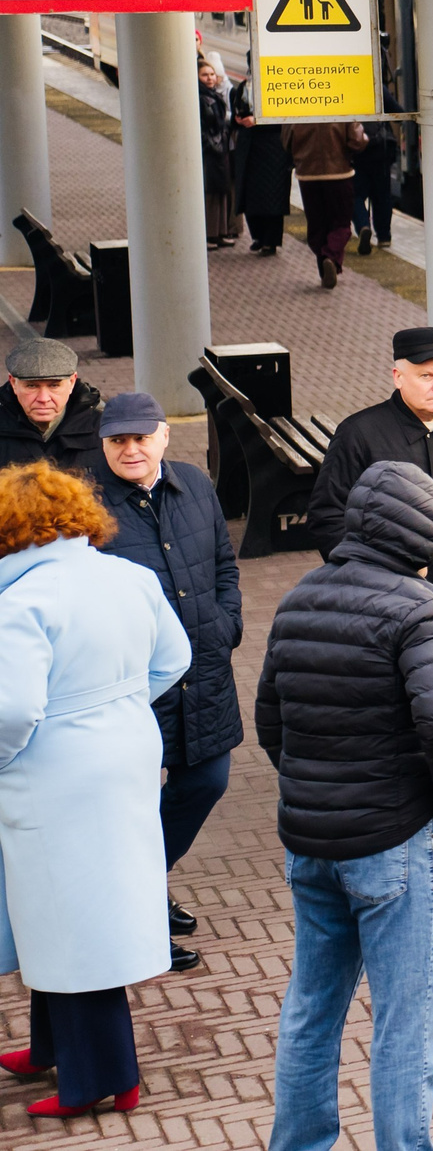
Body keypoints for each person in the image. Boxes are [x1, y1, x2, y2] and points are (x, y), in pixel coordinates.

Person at [256, 460, 433, 1151]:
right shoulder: (420, 607)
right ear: (425, 537)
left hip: (311, 843)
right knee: (405, 1022)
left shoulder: (300, 596)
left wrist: (315, 783)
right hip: (392, 843)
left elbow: (271, 719)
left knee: (311, 1011)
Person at [0, 462, 190, 1119]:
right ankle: (53, 1046)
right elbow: (175, 657)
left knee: (66, 919)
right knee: (70, 913)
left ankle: (102, 1078)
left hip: (54, 774)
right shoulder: (129, 576)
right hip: (128, 754)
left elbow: (11, 711)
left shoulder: (21, 601)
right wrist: (116, 705)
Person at [306, 326, 433, 865]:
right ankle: (381, 821)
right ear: (398, 376)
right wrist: (362, 575)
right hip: (374, 609)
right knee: (386, 713)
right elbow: (326, 516)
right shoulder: (360, 435)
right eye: (427, 376)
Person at [95, 392, 242, 975]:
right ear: (104, 444)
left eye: (140, 438)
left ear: (163, 436)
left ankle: (147, 880)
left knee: (206, 778)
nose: (130, 450)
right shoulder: (87, 505)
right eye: (117, 441)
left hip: (204, 670)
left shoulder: (194, 484)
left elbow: (225, 565)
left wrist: (226, 623)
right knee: (128, 804)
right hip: (133, 682)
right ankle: (136, 917)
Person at [0, 338, 108, 489]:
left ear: (72, 382)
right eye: (31, 386)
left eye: (54, 386)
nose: (43, 399)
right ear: (13, 384)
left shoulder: (104, 430)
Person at [282, 119, 366, 289]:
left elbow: (286, 141)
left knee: (317, 225)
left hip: (307, 175)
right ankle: (331, 257)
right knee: (341, 224)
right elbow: (357, 140)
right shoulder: (339, 102)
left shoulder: (295, 104)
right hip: (338, 174)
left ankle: (325, 270)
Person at [231, 76, 291, 256]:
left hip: (273, 150)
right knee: (250, 194)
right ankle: (257, 236)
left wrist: (258, 121)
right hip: (248, 148)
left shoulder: (278, 87)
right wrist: (238, 120)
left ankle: (270, 241)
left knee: (272, 196)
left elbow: (284, 118)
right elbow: (236, 114)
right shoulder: (244, 86)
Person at [199, 55, 238, 248]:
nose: (209, 78)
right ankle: (210, 234)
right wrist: (213, 145)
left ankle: (220, 231)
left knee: (221, 191)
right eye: (205, 75)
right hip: (211, 151)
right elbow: (203, 126)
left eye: (212, 74)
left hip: (219, 148)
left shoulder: (213, 95)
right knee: (212, 192)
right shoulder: (201, 98)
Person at [351, 118, 400, 257]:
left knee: (355, 195)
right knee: (382, 195)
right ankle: (384, 237)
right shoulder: (379, 94)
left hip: (358, 152)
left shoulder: (345, 96)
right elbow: (398, 111)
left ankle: (363, 226)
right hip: (380, 150)